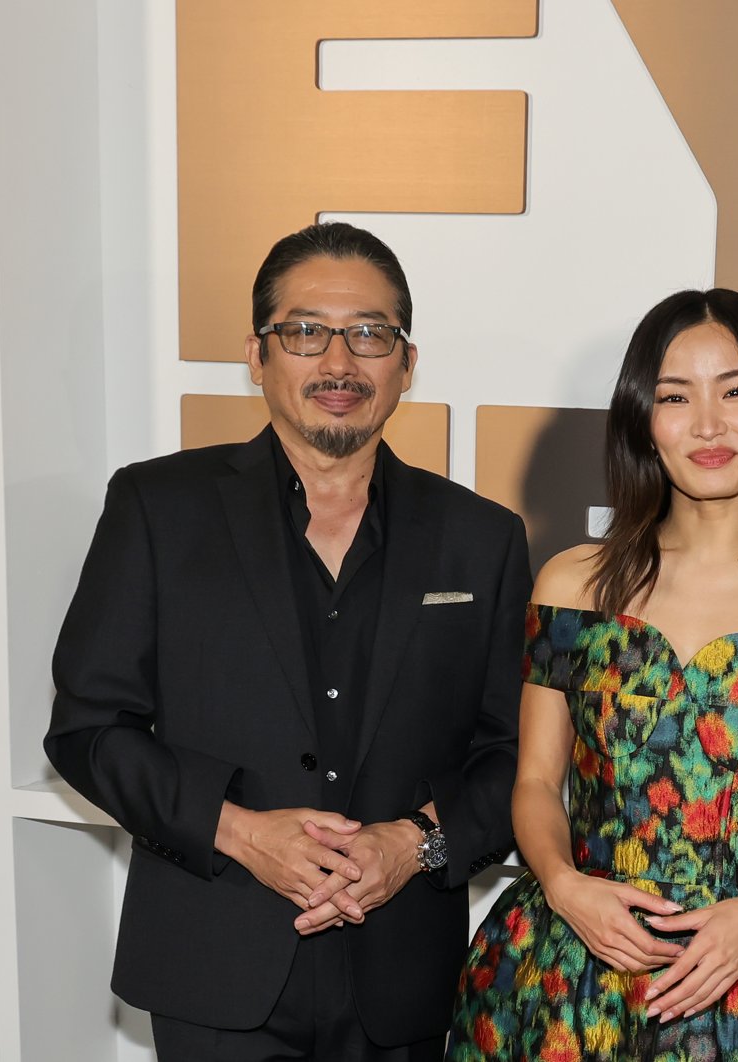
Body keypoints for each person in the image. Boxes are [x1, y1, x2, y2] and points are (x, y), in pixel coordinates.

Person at [44, 221, 531, 1060]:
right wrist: (238, 831)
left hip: (403, 983)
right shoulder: (158, 509)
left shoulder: (481, 539)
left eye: (370, 334)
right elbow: (88, 731)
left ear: (407, 362)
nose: (337, 363)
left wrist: (415, 845)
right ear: (257, 354)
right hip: (213, 966)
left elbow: (518, 755)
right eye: (305, 332)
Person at [446, 288, 738, 1060]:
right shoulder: (572, 585)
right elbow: (535, 782)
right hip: (571, 971)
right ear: (642, 423)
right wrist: (563, 885)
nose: (708, 424)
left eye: (737, 391)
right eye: (675, 396)